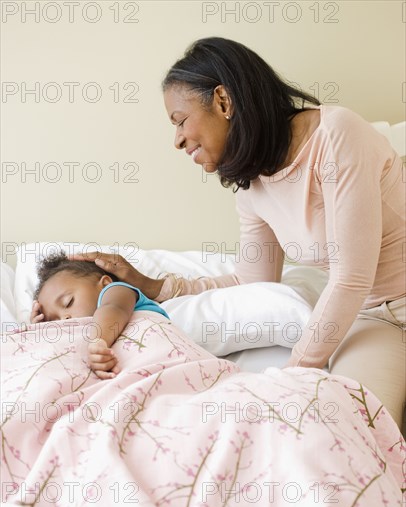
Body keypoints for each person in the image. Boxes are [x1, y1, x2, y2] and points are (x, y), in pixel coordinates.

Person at [71, 37, 404, 428]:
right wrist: (153, 284)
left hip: (366, 297)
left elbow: (351, 276)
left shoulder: (337, 134)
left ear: (224, 101)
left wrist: (290, 376)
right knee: (358, 429)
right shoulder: (251, 186)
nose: (176, 140)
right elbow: (251, 282)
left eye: (179, 120)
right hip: (373, 319)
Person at [30, 252, 169, 380]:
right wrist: (40, 331)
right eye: (53, 320)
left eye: (68, 302)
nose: (64, 319)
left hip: (162, 361)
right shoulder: (75, 331)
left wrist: (99, 340)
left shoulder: (118, 291)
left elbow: (114, 309)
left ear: (105, 284)